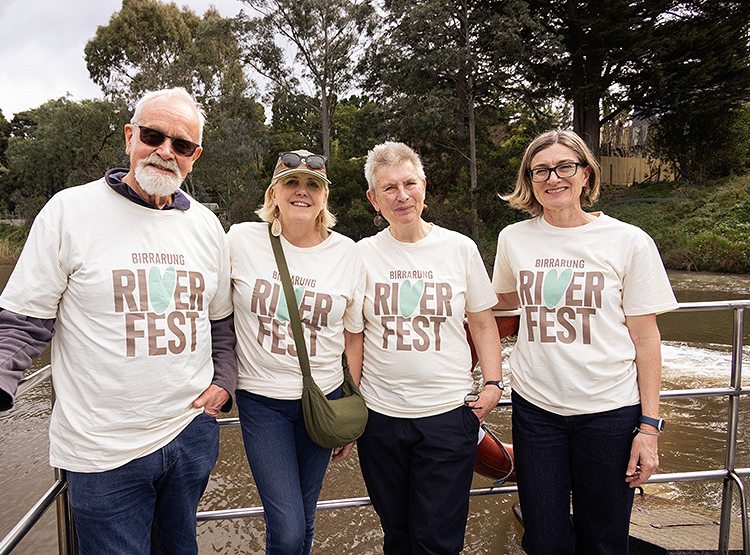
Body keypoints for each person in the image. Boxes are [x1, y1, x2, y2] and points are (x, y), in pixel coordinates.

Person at [0, 87, 237, 554]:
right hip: (102, 454)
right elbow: (20, 322)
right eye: (153, 135)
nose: (165, 151)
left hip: (190, 434)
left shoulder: (207, 226)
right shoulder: (70, 211)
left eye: (181, 145)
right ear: (130, 136)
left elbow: (221, 323)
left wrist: (224, 381)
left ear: (194, 157)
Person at [492, 129, 678, 554]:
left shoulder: (628, 241)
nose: (552, 178)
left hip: (610, 412)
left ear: (586, 174)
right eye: (541, 170)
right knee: (544, 538)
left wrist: (649, 428)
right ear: (529, 179)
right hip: (537, 411)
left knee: (604, 539)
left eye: (564, 167)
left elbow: (647, 339)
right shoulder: (514, 239)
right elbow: (500, 301)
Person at [356, 141, 503, 554]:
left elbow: (481, 319)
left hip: (448, 415)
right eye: (389, 188)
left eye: (409, 184)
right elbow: (351, 335)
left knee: (437, 541)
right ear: (373, 198)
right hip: (380, 419)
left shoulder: (460, 249)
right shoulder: (360, 255)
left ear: (424, 186)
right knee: (397, 535)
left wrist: (493, 382)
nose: (401, 196)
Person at [227, 150, 366, 554]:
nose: (302, 192)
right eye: (292, 183)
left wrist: (348, 408)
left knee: (304, 516)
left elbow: (352, 335)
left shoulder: (347, 253)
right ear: (274, 193)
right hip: (262, 401)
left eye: (313, 185)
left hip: (323, 401)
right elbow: (213, 311)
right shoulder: (241, 239)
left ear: (324, 198)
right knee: (286, 526)